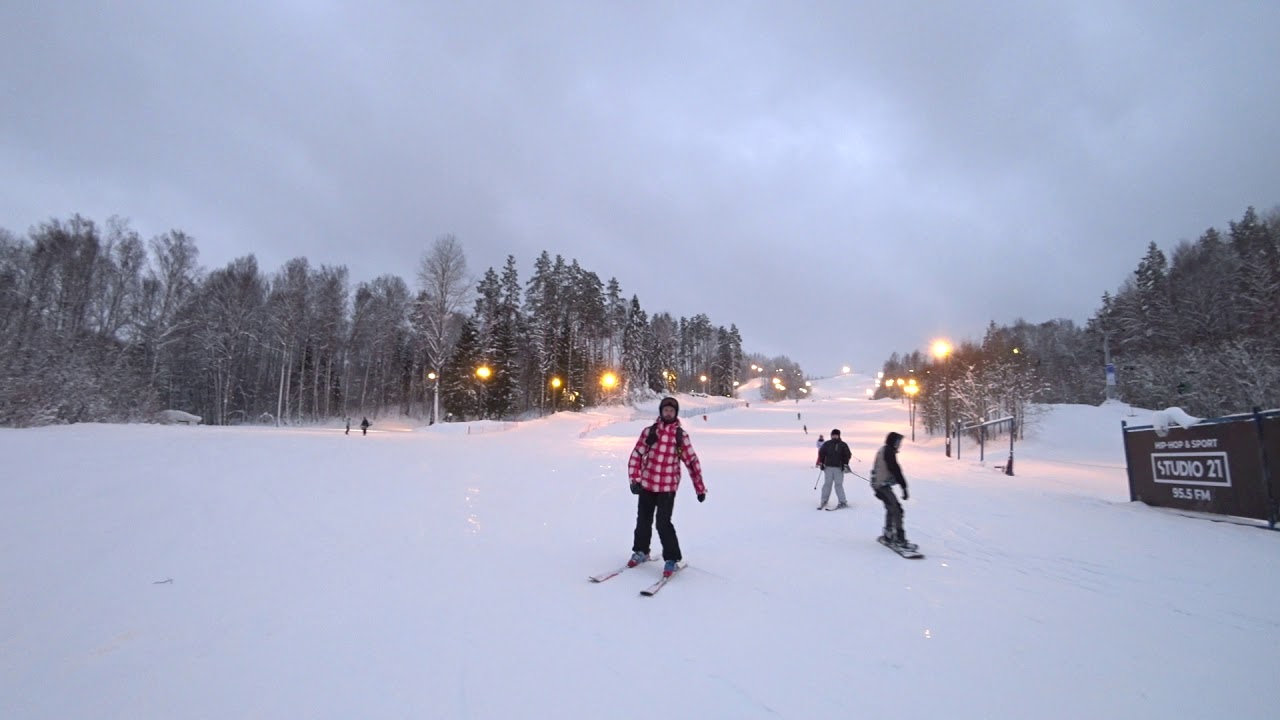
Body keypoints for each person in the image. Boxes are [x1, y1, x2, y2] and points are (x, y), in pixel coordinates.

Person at [626, 397, 707, 577]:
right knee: (643, 520)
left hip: (667, 487)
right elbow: (636, 456)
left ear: (675, 413)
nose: (668, 413)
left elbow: (692, 462)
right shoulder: (649, 432)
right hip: (647, 484)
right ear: (661, 412)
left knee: (663, 523)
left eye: (672, 410)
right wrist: (635, 479)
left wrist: (699, 488)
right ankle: (641, 551)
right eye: (666, 410)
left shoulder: (680, 436)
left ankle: (672, 559)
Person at [869, 432, 915, 550]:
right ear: (893, 442)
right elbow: (895, 469)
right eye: (898, 442)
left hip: (880, 485)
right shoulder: (888, 452)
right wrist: (903, 487)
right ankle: (899, 538)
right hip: (881, 486)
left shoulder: (885, 450)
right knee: (897, 509)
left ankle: (888, 533)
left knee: (891, 507)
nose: (899, 445)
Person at [817, 429, 852, 510]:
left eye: (836, 435)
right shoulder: (827, 444)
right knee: (827, 484)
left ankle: (842, 501)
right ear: (831, 435)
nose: (834, 436)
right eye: (833, 435)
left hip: (839, 468)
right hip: (828, 467)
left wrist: (845, 464)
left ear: (839, 435)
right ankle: (824, 500)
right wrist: (822, 463)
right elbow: (821, 453)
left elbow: (847, 455)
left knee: (838, 485)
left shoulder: (843, 445)